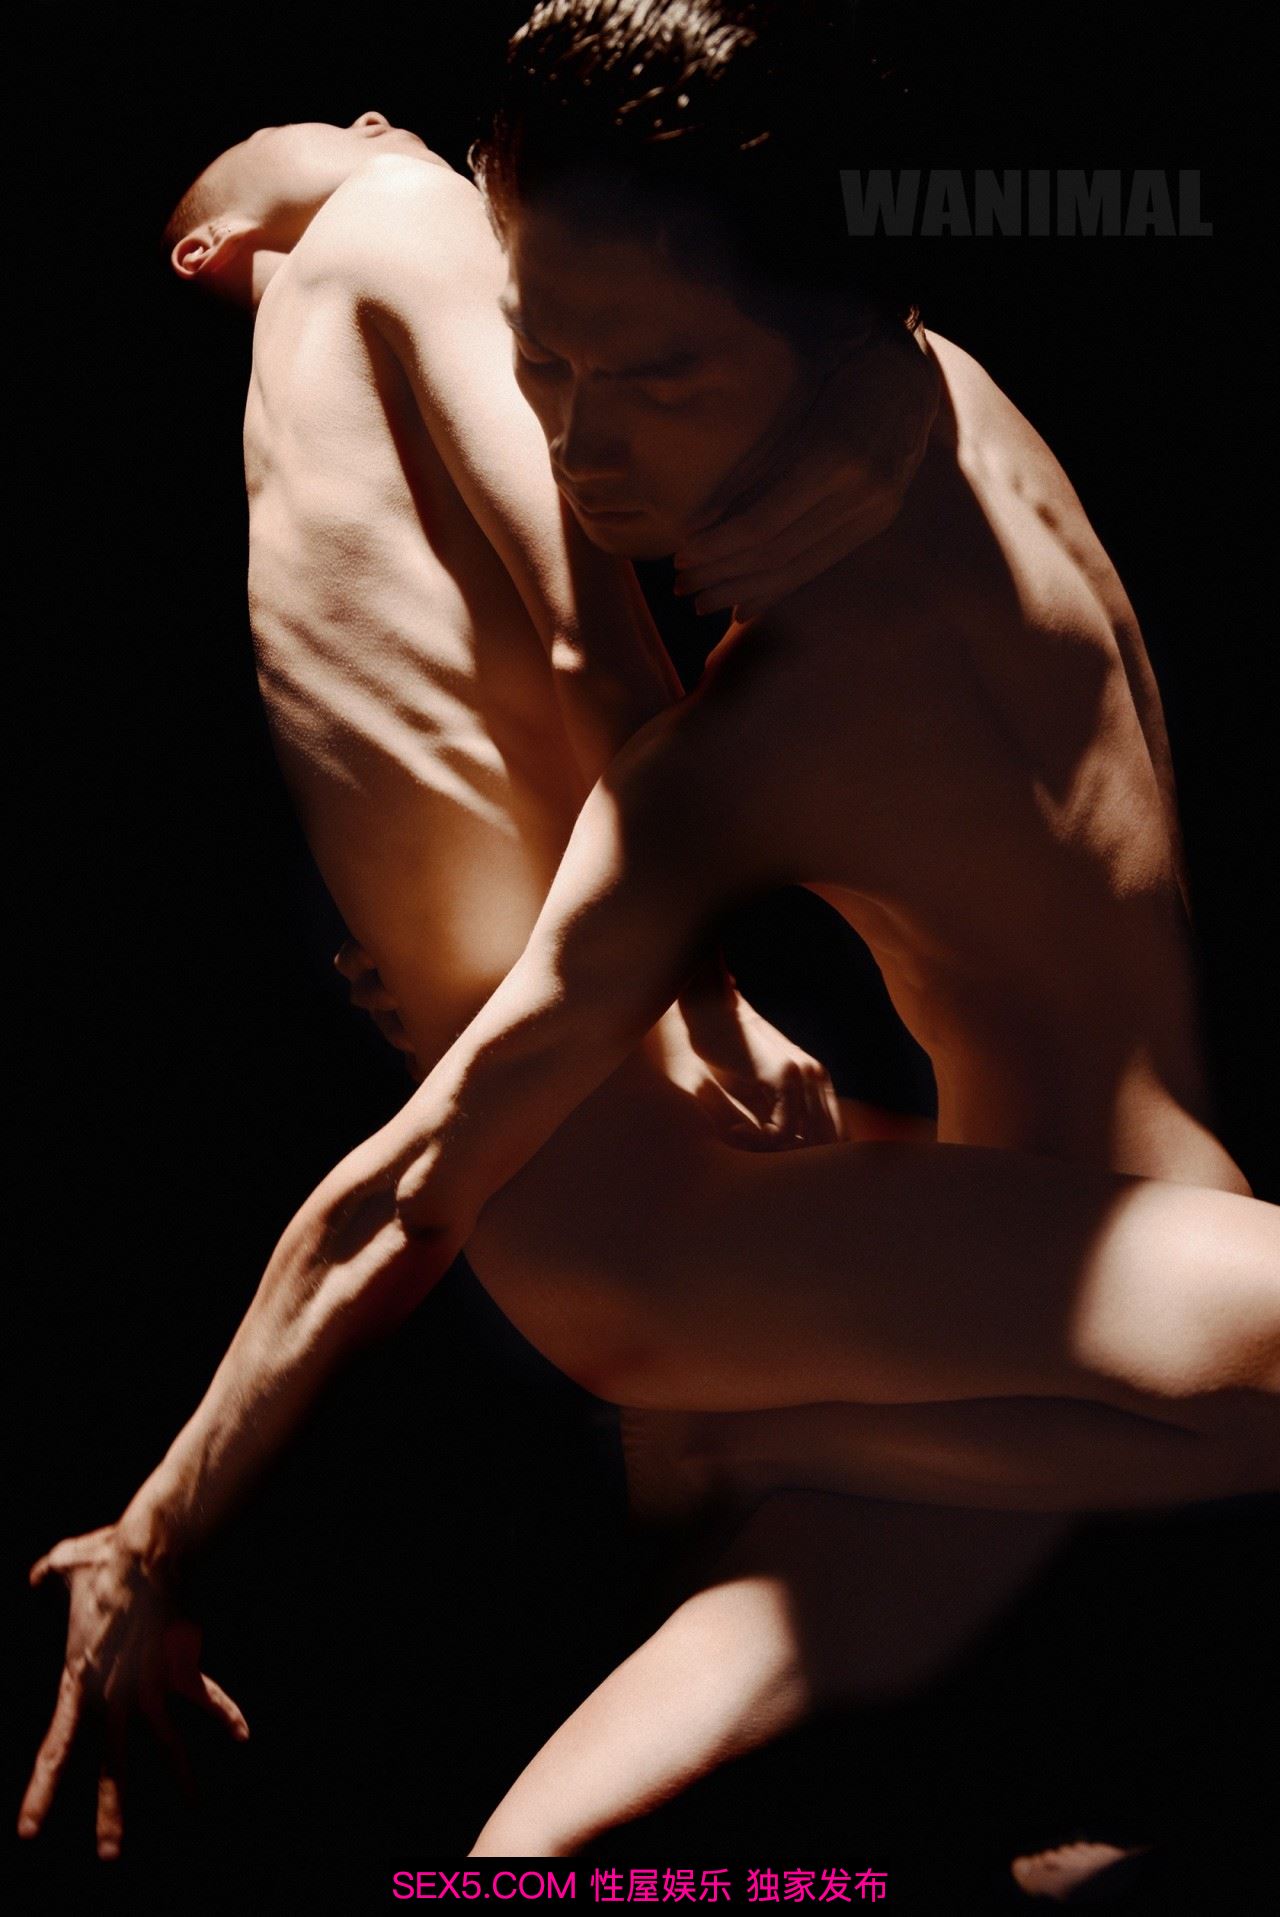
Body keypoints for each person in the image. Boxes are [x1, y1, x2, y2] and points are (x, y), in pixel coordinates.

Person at [20, 1, 1278, 1870]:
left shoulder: (813, 525)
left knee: (548, 1855)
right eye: (538, 358)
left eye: (659, 376)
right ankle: (753, 1435)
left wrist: (665, 992)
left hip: (845, 1199)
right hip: (670, 1231)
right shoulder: (806, 581)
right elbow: (412, 1184)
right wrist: (154, 1533)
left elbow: (576, 630)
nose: (578, 451)